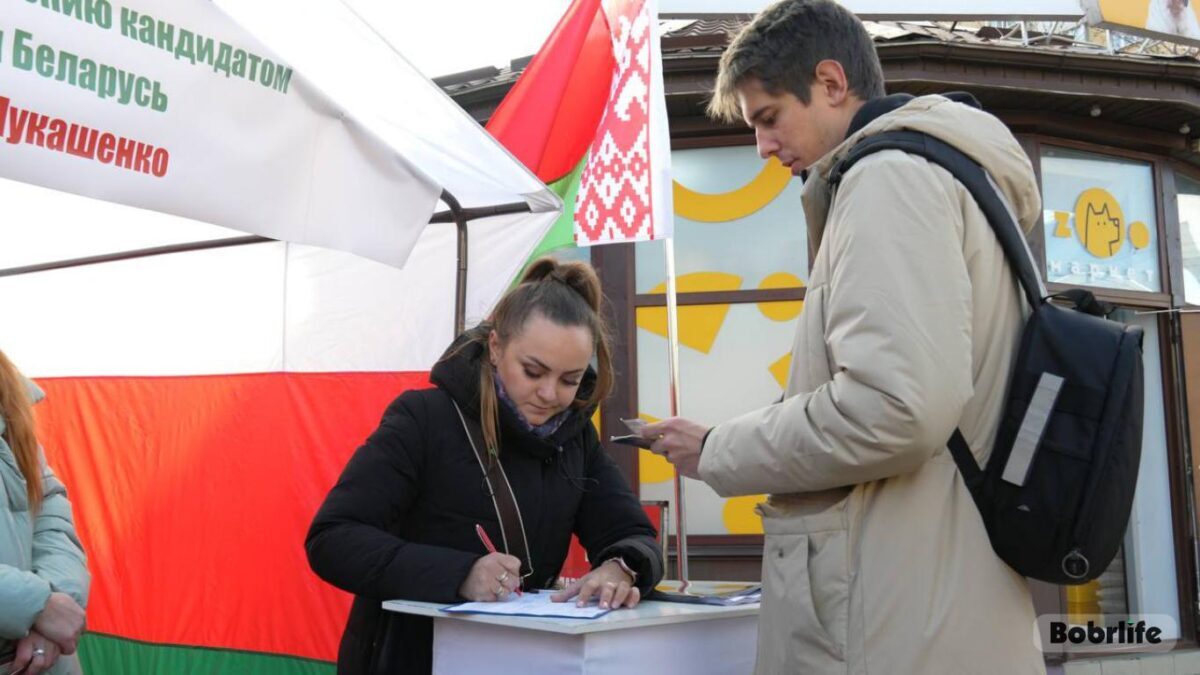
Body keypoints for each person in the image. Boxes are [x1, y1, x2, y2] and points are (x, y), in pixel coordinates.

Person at [642, 1, 1046, 673]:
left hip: (890, 620)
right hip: (931, 603)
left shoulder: (888, 177)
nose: (763, 147)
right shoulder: (945, 177)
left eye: (768, 117)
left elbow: (895, 407)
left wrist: (721, 448)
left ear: (831, 83)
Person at [307, 258, 664, 675]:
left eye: (570, 380)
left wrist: (619, 568)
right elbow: (333, 539)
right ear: (495, 348)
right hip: (415, 656)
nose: (549, 394)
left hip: (527, 659)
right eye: (533, 371)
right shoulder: (424, 418)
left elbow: (632, 533)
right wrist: (461, 574)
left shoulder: (576, 437)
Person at [0, 351, 89, 675]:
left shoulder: (9, 401)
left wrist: (58, 598)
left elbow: (50, 516)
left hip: (43, 662)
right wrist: (33, 605)